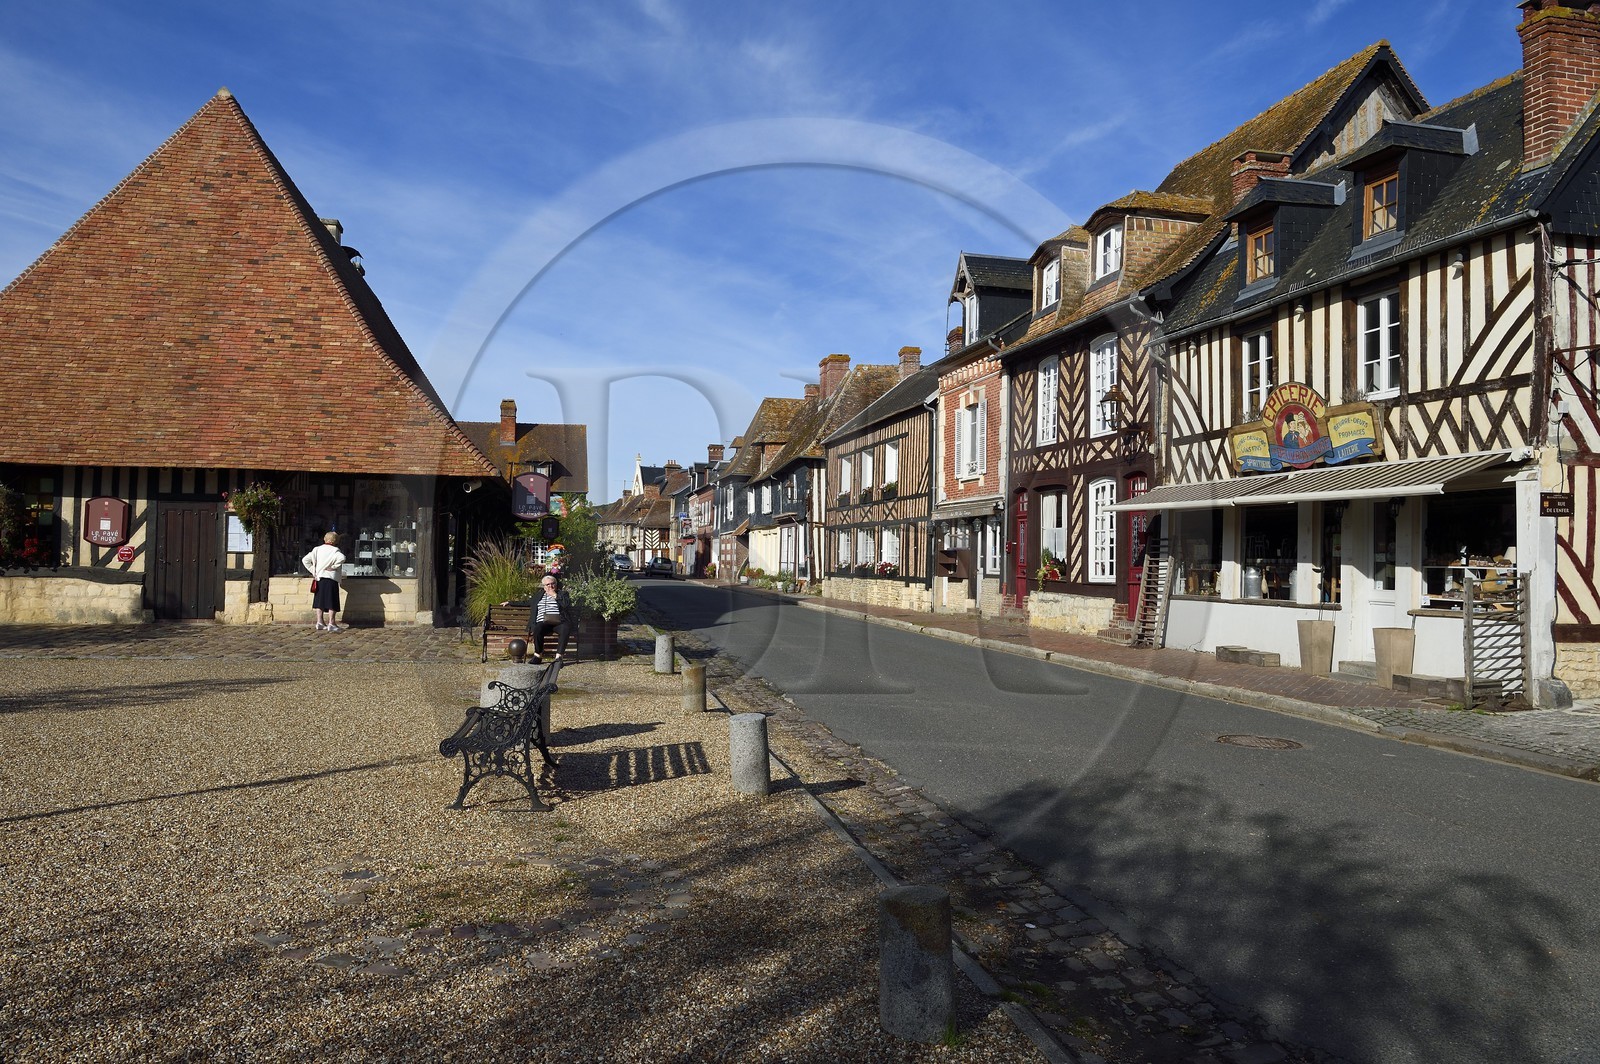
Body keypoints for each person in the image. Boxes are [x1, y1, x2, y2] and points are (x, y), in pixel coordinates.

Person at [301, 531, 347, 632]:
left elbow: (305, 560)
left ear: (325, 539)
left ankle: (320, 622)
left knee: (320, 601)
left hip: (319, 578)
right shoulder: (335, 550)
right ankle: (331, 623)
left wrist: (314, 570)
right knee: (332, 601)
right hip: (331, 578)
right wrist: (333, 567)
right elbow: (342, 558)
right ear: (335, 541)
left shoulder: (317, 549)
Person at [525, 573, 575, 664]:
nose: (550, 586)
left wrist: (555, 595)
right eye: (548, 584)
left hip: (559, 622)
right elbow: (527, 603)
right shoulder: (538, 596)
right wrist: (509, 602)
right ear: (544, 586)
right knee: (537, 628)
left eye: (552, 584)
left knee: (565, 628)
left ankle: (559, 657)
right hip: (543, 623)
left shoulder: (562, 594)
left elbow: (566, 605)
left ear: (556, 584)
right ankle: (538, 655)